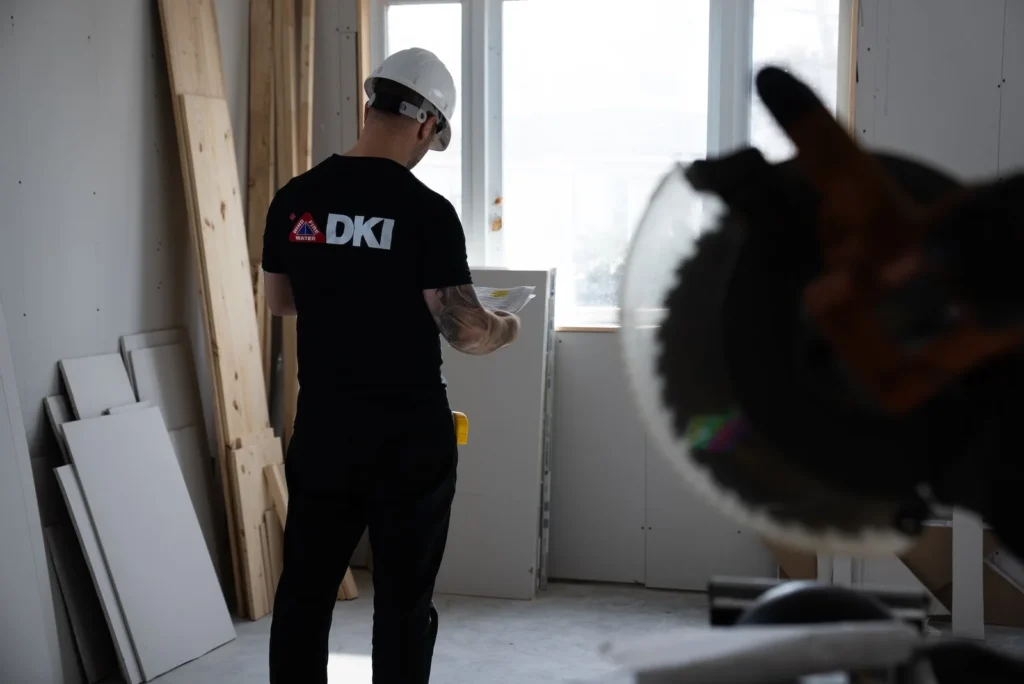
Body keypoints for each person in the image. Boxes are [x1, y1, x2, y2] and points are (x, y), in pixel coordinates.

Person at [261, 47, 521, 684]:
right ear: (428, 124)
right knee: (404, 602)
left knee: (304, 595)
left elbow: (283, 303)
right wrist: (506, 326)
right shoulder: (427, 213)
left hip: (325, 427)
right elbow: (463, 331)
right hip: (408, 435)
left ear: (372, 103)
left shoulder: (296, 199)